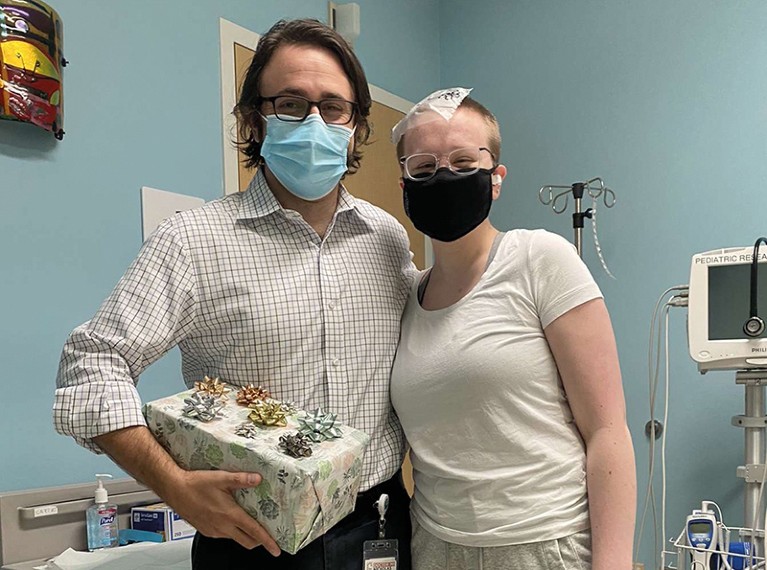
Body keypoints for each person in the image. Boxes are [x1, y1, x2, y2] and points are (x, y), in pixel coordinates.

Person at [54, 18, 414, 570]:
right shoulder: (193, 240)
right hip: (250, 536)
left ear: (356, 126)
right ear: (254, 118)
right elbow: (92, 363)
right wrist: (173, 484)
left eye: (333, 107)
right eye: (290, 103)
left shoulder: (387, 238)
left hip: (380, 528)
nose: (315, 121)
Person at [389, 88, 636, 570]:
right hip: (435, 547)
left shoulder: (540, 259)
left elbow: (608, 431)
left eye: (463, 162)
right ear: (404, 185)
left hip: (544, 546)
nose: (444, 177)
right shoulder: (407, 298)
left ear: (496, 179)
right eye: (423, 169)